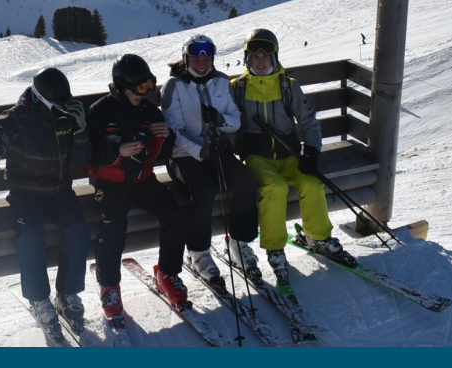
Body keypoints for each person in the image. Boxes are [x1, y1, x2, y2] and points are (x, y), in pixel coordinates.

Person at [232, 29, 354, 296]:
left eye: (266, 55)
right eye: (255, 56)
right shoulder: (237, 88)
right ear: (247, 58)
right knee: (274, 188)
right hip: (257, 157)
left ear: (275, 57)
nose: (261, 61)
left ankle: (318, 237)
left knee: (311, 184)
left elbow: (308, 121)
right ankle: (275, 249)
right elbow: (228, 123)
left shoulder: (288, 86)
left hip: (289, 154)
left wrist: (312, 151)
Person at [0, 67, 91, 337]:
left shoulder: (69, 115)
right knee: (30, 235)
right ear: (41, 100)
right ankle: (39, 298)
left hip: (60, 190)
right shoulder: (16, 118)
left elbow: (82, 158)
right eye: (58, 106)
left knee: (78, 228)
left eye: (66, 104)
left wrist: (82, 128)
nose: (63, 110)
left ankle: (67, 293)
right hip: (25, 192)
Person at [87, 54, 188, 319]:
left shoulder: (149, 112)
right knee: (113, 227)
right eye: (139, 88)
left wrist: (166, 136)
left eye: (148, 87)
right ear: (121, 87)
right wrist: (117, 151)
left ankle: (167, 273)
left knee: (174, 215)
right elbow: (89, 154)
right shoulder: (99, 111)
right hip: (110, 182)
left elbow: (160, 150)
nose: (144, 94)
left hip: (142, 179)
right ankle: (109, 286)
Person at [161, 34, 261, 286]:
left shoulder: (221, 82)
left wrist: (220, 120)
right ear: (186, 59)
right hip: (183, 156)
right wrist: (200, 150)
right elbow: (174, 130)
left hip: (216, 150)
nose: (202, 64)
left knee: (247, 181)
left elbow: (235, 120)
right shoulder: (174, 86)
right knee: (204, 191)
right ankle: (199, 251)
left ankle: (239, 242)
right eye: (196, 59)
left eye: (207, 59)